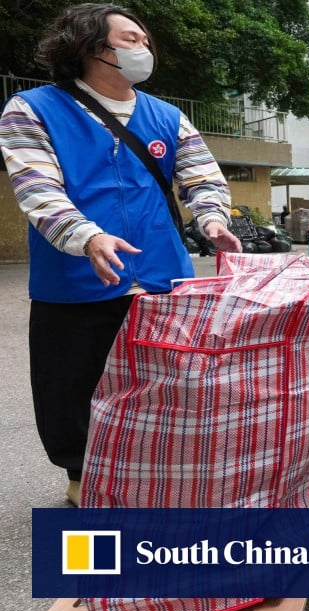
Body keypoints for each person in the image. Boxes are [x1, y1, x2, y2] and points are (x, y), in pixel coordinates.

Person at [0, 3, 241, 507]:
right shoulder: (32, 109)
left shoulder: (166, 116)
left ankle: (160, 476)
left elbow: (201, 177)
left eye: (144, 40)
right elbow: (37, 187)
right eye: (130, 39)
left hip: (160, 277)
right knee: (73, 385)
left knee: (169, 385)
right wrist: (86, 236)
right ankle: (82, 477)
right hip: (77, 277)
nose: (143, 49)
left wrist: (213, 218)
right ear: (91, 49)